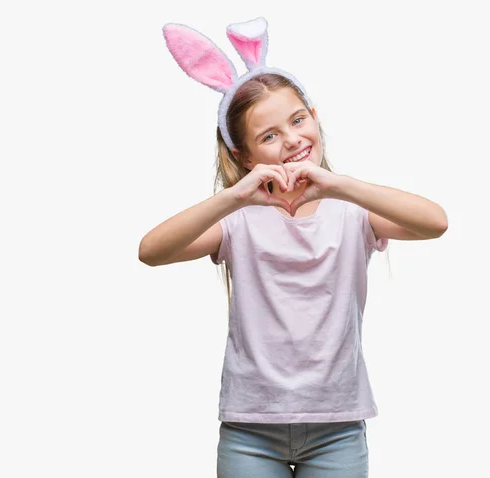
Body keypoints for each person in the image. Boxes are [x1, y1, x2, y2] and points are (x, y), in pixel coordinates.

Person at [139, 17, 448, 477]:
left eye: (298, 120)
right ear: (244, 155)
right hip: (250, 429)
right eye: (269, 136)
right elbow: (152, 250)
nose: (291, 140)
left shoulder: (352, 212)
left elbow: (435, 222)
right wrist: (235, 195)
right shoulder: (237, 221)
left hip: (337, 426)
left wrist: (340, 185)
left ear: (315, 117)